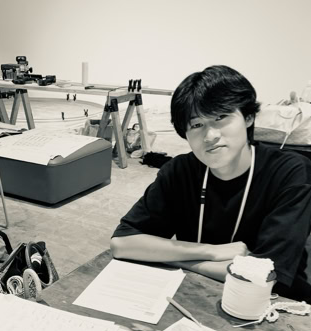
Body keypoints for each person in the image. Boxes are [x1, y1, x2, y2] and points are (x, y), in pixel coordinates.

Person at [110, 65, 311, 303]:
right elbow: (122, 243)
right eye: (196, 125)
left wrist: (177, 258)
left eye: (221, 117)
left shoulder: (290, 172)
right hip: (195, 294)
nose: (210, 136)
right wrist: (213, 252)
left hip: (276, 303)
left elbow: (264, 274)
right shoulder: (180, 170)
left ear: (248, 117)